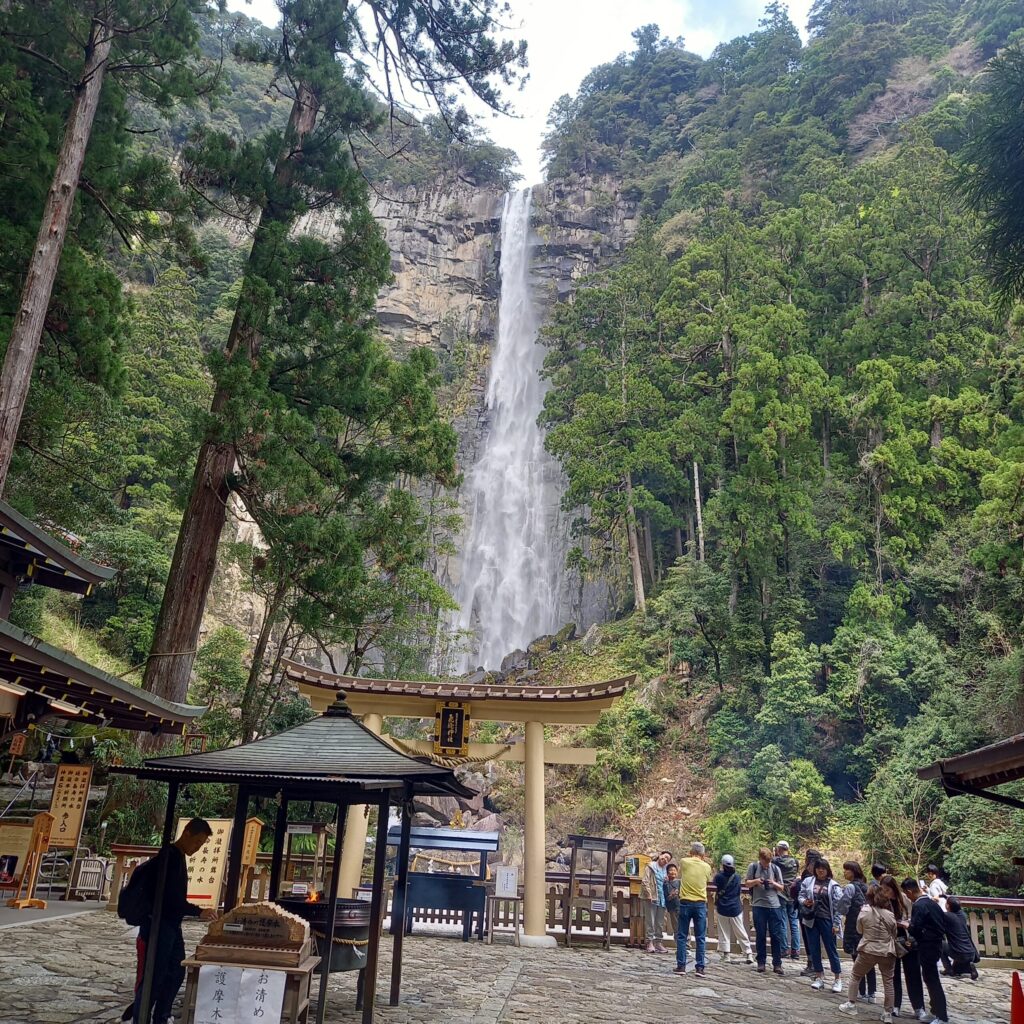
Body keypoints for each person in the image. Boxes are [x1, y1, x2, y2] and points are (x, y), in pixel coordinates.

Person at [131, 818, 216, 1024]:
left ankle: (162, 1014)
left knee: (176, 970)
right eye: (197, 842)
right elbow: (169, 898)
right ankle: (141, 1017)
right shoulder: (168, 857)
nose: (197, 848)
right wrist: (198, 912)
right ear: (186, 833)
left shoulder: (177, 857)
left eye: (201, 845)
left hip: (171, 925)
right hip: (158, 925)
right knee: (154, 976)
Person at [838, 885, 898, 1023]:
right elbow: (893, 933)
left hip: (868, 949)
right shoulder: (890, 915)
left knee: (856, 975)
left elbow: (859, 930)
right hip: (886, 951)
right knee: (888, 981)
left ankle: (851, 1004)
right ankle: (887, 1013)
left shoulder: (864, 911)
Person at [879, 874, 927, 1022]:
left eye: (888, 890)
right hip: (891, 941)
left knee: (913, 973)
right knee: (893, 975)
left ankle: (919, 1007)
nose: (886, 893)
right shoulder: (882, 903)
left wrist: (903, 923)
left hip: (908, 940)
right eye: (883, 890)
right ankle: (895, 1005)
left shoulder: (905, 900)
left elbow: (914, 919)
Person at [904, 877, 949, 1024]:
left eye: (906, 893)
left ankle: (942, 1016)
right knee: (930, 977)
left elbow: (915, 928)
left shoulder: (919, 905)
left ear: (910, 891)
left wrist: (907, 926)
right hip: (936, 943)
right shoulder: (931, 902)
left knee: (932, 979)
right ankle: (935, 1011)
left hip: (927, 945)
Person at [798, 857, 844, 993]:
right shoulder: (808, 882)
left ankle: (837, 978)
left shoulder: (833, 885)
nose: (820, 870)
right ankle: (819, 976)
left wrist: (836, 923)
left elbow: (838, 906)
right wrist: (804, 902)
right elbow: (800, 896)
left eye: (823, 868)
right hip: (811, 919)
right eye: (818, 868)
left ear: (827, 869)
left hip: (827, 920)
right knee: (814, 948)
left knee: (831, 949)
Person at [744, 846, 787, 975]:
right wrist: (757, 881)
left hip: (774, 906)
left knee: (776, 935)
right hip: (759, 905)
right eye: (765, 862)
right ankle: (761, 962)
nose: (767, 865)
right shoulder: (753, 867)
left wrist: (773, 883)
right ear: (760, 859)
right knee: (760, 935)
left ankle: (777, 963)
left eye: (768, 862)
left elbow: (782, 888)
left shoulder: (775, 869)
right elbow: (747, 883)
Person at [674, 842, 713, 977]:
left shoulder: (684, 862)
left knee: (682, 936)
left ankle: (681, 966)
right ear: (703, 854)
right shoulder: (707, 866)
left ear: (691, 852)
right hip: (700, 904)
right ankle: (700, 968)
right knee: (701, 937)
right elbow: (707, 879)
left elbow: (680, 873)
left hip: (685, 902)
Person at [842, 861, 876, 1004]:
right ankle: (872, 992)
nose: (844, 873)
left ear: (853, 871)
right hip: (868, 927)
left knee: (857, 961)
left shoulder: (850, 887)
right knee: (869, 961)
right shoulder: (867, 887)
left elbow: (842, 907)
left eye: (846, 870)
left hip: (853, 927)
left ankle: (861, 991)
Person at [712, 854, 753, 964]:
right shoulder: (737, 877)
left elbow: (715, 883)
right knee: (740, 930)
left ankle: (726, 955)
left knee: (724, 931)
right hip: (735, 907)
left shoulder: (719, 877)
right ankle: (748, 953)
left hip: (722, 907)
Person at [772, 840, 801, 962]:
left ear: (778, 849)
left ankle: (784, 949)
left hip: (781, 893)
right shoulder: (795, 862)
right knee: (794, 922)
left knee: (783, 922)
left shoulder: (775, 861)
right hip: (793, 895)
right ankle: (796, 950)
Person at [798, 847, 823, 976]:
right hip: (809, 910)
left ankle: (813, 964)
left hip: (809, 911)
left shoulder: (809, 875)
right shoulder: (816, 873)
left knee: (810, 938)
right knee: (810, 938)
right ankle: (812, 962)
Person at [941, 896, 979, 980]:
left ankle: (948, 969)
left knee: (939, 944)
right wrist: (944, 896)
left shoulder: (947, 916)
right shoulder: (963, 915)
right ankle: (970, 967)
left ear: (947, 906)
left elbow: (937, 914)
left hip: (959, 953)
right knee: (958, 967)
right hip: (971, 953)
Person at [642, 850, 671, 953]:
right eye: (664, 856)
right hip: (652, 897)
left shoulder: (665, 870)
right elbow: (645, 881)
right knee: (650, 921)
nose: (665, 859)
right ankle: (649, 942)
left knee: (660, 922)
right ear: (660, 855)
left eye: (668, 859)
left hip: (662, 898)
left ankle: (658, 942)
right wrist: (648, 894)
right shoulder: (651, 866)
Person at [664, 863, 680, 940]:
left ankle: (687, 946)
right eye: (671, 870)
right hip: (672, 908)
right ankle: (679, 946)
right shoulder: (666, 884)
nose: (673, 872)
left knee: (685, 927)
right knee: (676, 927)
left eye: (674, 870)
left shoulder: (680, 882)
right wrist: (672, 895)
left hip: (681, 907)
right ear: (667, 873)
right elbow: (666, 897)